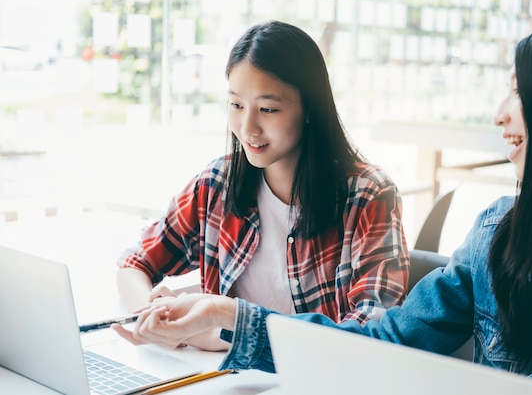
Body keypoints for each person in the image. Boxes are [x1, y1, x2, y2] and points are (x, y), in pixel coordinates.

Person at [114, 19, 532, 393]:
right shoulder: (498, 232)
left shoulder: (368, 193)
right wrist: (230, 316)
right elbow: (387, 341)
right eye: (235, 104)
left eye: (518, 93)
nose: (499, 115)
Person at [115, 20, 409, 351]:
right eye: (236, 105)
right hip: (221, 378)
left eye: (267, 109)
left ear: (309, 108)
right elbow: (135, 263)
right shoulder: (216, 184)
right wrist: (152, 316)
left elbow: (371, 333)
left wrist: (221, 334)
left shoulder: (369, 195)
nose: (247, 126)